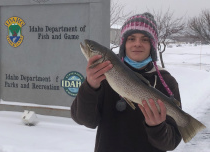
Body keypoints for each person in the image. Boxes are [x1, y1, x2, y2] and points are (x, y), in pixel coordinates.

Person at [71, 12, 182, 152]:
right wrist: (90, 87)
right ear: (124, 43)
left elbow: (171, 143)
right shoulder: (103, 76)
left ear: (152, 45)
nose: (137, 44)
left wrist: (157, 128)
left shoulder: (166, 81)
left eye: (145, 39)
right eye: (131, 38)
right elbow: (85, 120)